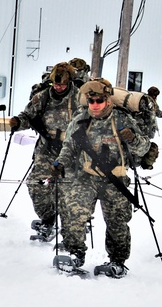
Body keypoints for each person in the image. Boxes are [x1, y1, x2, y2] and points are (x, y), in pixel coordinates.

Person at [52, 78, 151, 277]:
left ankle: (117, 261)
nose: (95, 106)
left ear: (107, 101)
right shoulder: (81, 120)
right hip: (86, 177)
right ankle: (74, 253)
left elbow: (144, 148)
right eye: (91, 102)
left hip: (116, 180)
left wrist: (132, 138)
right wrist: (60, 163)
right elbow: (69, 147)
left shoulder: (122, 120)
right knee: (73, 211)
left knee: (117, 221)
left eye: (99, 101)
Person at [8, 62, 82, 241]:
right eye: (56, 84)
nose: (58, 88)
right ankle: (48, 219)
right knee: (35, 184)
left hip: (71, 150)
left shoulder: (79, 98)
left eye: (62, 85)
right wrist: (18, 122)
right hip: (47, 147)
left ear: (70, 82)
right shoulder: (42, 97)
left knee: (68, 190)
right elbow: (28, 116)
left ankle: (73, 228)